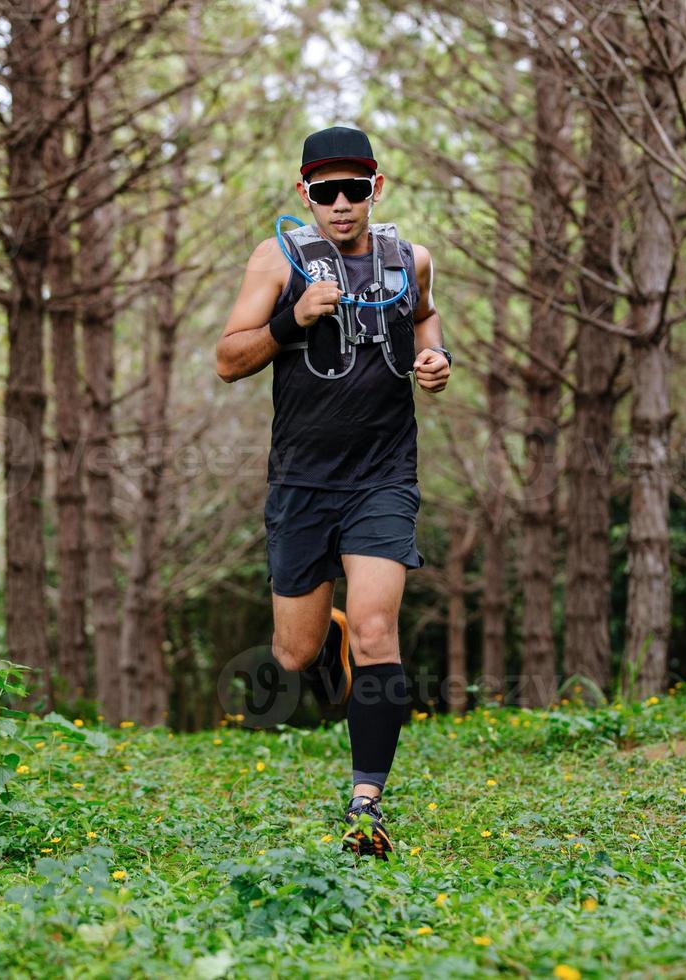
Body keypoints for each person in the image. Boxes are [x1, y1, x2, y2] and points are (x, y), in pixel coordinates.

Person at [215, 126, 452, 858]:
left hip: (383, 476)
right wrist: (293, 320)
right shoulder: (278, 259)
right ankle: (332, 634)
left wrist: (436, 357)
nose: (342, 204)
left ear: (377, 189)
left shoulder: (408, 258)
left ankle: (366, 806)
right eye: (326, 192)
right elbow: (228, 359)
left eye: (355, 189)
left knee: (381, 631)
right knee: (294, 655)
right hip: (302, 483)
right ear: (305, 194)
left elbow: (424, 318)